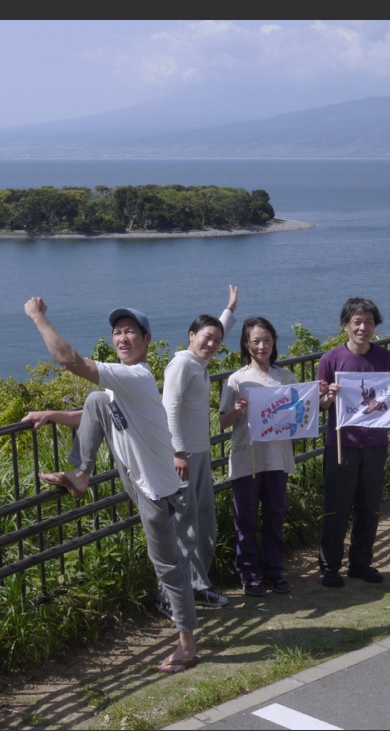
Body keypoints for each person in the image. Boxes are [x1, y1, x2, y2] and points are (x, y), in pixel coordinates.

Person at [21, 298, 198, 675]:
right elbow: (96, 415)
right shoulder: (122, 383)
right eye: (117, 331)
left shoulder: (137, 376)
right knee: (96, 399)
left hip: (156, 491)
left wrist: (38, 317)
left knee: (168, 568)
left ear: (147, 339)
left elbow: (70, 360)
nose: (122, 337)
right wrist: (52, 414)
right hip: (139, 481)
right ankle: (82, 475)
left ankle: (187, 646)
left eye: (131, 331)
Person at [158, 285, 239, 615]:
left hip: (199, 454)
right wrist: (178, 452)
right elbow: (169, 408)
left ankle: (197, 585)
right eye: (205, 338)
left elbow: (218, 330)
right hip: (184, 456)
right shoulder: (182, 366)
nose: (211, 344)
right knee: (186, 526)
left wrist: (229, 310)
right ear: (190, 335)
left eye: (217, 340)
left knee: (203, 521)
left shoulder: (197, 362)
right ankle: (180, 593)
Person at [316, 298, 390, 588]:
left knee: (369, 506)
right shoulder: (331, 359)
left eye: (369, 322)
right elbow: (321, 405)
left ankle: (361, 563)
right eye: (357, 322)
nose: (363, 328)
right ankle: (329, 566)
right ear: (346, 325)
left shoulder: (384, 357)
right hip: (342, 442)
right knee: (336, 506)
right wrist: (329, 396)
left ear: (375, 326)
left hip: (376, 443)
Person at [218, 316, 300, 596]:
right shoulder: (236, 380)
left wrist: (320, 397)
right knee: (247, 518)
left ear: (274, 342)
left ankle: (274, 571)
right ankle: (249, 573)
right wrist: (237, 409)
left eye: (266, 340)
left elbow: (301, 411)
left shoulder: (285, 377)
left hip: (277, 457)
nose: (262, 346)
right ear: (246, 344)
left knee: (275, 516)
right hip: (246, 459)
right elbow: (222, 422)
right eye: (256, 341)